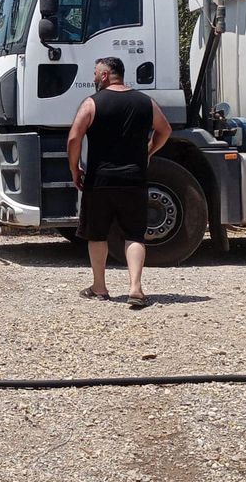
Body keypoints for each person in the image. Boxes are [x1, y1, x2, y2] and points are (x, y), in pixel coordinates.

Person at [67, 56, 171, 308]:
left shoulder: (92, 103)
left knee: (97, 234)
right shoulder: (145, 102)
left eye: (95, 73)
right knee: (134, 234)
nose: (93, 78)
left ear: (105, 75)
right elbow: (164, 130)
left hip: (100, 181)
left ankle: (99, 287)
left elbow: (74, 138)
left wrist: (75, 169)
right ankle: (135, 288)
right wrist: (149, 150)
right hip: (134, 180)